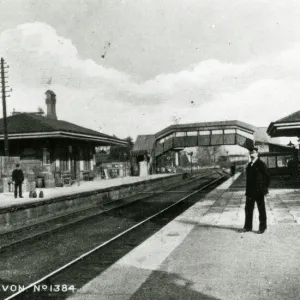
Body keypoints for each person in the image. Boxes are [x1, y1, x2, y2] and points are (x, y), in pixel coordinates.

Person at [240, 147, 270, 234]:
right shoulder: (249, 165)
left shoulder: (261, 164)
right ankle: (247, 227)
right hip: (250, 191)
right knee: (248, 209)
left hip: (259, 191)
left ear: (257, 153)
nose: (251, 154)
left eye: (253, 152)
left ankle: (262, 228)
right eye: (250, 153)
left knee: (261, 209)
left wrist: (264, 188)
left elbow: (267, 177)